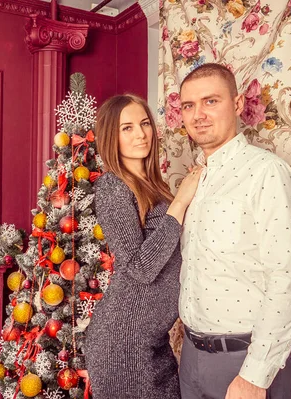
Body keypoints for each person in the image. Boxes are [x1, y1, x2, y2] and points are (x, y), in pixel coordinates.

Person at [177, 63, 291, 399]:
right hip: (191, 357)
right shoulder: (194, 180)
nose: (198, 115)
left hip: (245, 361)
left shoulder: (266, 173)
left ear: (237, 105)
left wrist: (254, 376)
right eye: (189, 106)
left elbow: (286, 280)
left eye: (211, 101)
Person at [86, 94, 202, 399]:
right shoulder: (112, 186)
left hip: (150, 337)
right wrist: (181, 202)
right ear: (112, 136)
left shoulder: (153, 185)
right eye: (127, 128)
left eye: (144, 123)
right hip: (122, 341)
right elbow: (139, 267)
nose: (140, 134)